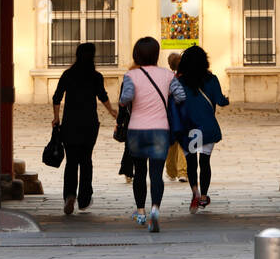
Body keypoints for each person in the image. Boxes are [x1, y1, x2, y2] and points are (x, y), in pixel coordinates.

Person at [119, 36, 184, 233]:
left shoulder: (131, 76)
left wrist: (127, 103)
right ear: (156, 54)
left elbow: (126, 98)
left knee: (140, 172)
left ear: (136, 54)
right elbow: (181, 96)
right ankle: (155, 209)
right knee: (156, 173)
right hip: (160, 130)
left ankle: (140, 211)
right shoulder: (167, 75)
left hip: (137, 130)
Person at [51, 42, 117, 215]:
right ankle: (84, 199)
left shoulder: (68, 74)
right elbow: (103, 96)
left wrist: (56, 117)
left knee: (71, 161)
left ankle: (70, 196)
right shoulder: (95, 76)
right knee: (86, 160)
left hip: (70, 124)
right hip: (89, 124)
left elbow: (57, 97)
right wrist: (111, 111)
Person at [174, 45, 229, 212]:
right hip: (207, 127)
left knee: (191, 163)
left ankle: (194, 193)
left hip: (188, 129)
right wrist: (226, 99)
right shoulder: (212, 80)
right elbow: (220, 101)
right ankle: (204, 197)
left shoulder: (179, 82)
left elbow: (174, 103)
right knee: (205, 162)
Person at [164, 51, 189, 183]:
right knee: (183, 142)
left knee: (171, 142)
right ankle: (182, 172)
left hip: (171, 114)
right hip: (184, 113)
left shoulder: (169, 79)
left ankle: (171, 171)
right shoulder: (187, 79)